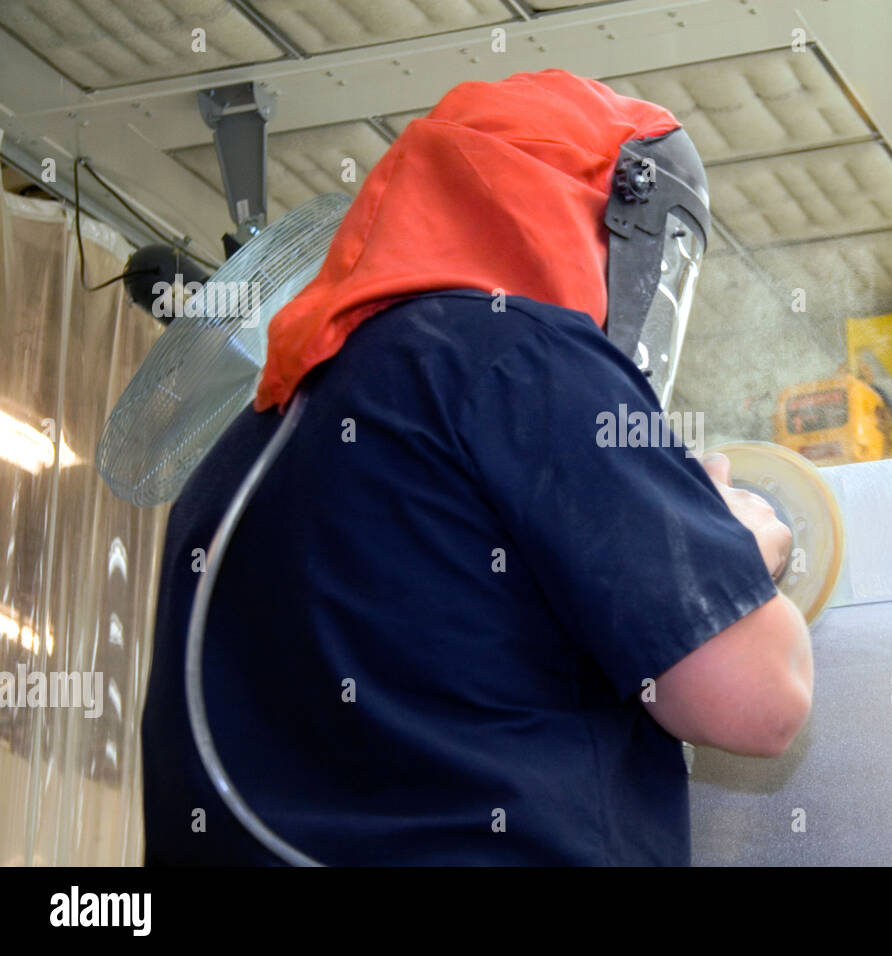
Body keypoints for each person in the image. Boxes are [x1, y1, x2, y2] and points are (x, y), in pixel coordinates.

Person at [140, 69, 812, 866]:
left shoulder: (244, 445)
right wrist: (736, 548)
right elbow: (760, 700)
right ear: (602, 217)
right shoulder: (526, 358)